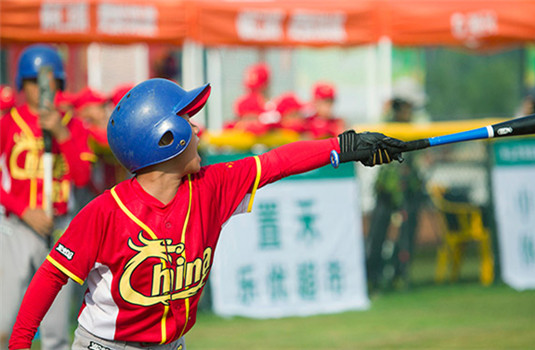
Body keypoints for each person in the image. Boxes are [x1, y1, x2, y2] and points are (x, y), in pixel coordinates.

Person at [9, 78, 407, 350]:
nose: (196, 127)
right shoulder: (105, 212)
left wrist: (343, 146)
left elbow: (276, 162)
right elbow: (51, 275)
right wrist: (20, 344)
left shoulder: (210, 187)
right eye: (185, 120)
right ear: (164, 139)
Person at [0, 44, 92, 350]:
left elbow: (82, 176)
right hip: (17, 226)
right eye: (34, 83)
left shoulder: (73, 125)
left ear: (60, 85)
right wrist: (23, 209)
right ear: (23, 85)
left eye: (49, 83)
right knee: (3, 320)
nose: (41, 90)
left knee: (56, 330)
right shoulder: (9, 122)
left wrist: (62, 136)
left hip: (60, 228)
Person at [366, 78, 427, 292]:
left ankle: (399, 273)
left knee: (407, 233)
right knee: (377, 233)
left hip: (409, 187)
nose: (409, 110)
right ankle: (372, 275)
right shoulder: (385, 122)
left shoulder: (416, 125)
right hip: (386, 188)